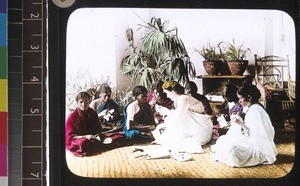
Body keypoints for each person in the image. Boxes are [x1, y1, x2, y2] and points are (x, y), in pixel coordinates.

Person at [210, 84, 278, 167]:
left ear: (249, 97)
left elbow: (259, 136)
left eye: (241, 98)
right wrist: (240, 124)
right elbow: (250, 130)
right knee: (223, 141)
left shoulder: (257, 111)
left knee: (232, 151)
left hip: (258, 147)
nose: (239, 101)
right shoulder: (251, 108)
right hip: (252, 140)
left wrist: (242, 125)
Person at [152, 81, 213, 153]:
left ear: (173, 91)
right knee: (173, 118)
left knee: (175, 122)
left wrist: (167, 122)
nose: (167, 96)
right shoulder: (179, 98)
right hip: (196, 120)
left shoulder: (183, 98)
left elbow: (179, 116)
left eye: (167, 93)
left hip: (201, 124)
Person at [65, 91, 103, 156]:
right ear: (77, 102)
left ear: (90, 101)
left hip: (92, 137)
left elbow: (98, 128)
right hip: (79, 139)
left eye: (86, 101)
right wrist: (86, 136)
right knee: (83, 144)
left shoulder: (93, 112)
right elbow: (70, 137)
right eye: (81, 102)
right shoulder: (72, 117)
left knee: (115, 136)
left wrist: (96, 135)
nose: (84, 104)